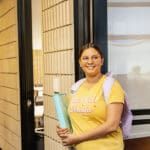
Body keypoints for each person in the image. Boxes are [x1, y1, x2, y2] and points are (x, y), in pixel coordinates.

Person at [56, 43, 125, 150]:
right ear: (80, 62)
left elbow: (112, 125)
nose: (90, 62)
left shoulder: (112, 86)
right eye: (85, 58)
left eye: (95, 57)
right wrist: (62, 129)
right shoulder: (75, 88)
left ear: (101, 61)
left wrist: (77, 138)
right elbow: (73, 119)